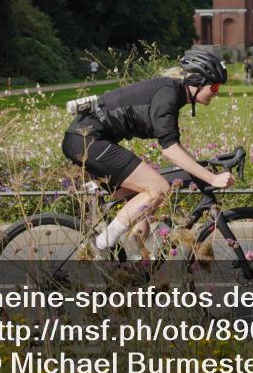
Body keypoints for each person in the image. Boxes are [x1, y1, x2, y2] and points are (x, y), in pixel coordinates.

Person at [61, 50, 233, 259]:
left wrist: (201, 169)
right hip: (87, 140)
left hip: (87, 141)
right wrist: (211, 178)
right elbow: (169, 149)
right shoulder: (168, 94)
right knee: (158, 189)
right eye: (214, 87)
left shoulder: (172, 93)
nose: (216, 92)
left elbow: (174, 144)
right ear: (197, 82)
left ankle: (132, 275)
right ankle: (101, 245)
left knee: (142, 218)